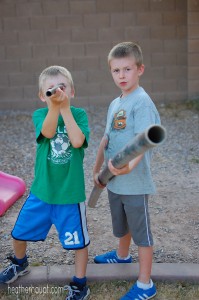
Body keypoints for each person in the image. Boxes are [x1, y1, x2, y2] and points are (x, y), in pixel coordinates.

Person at [0, 66, 90, 300]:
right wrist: (54, 107)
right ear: (42, 96)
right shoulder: (40, 115)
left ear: (72, 92)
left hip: (70, 194)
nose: (58, 92)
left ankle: (80, 283)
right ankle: (20, 263)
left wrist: (66, 109)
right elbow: (48, 133)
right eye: (51, 90)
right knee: (19, 233)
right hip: (41, 192)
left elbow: (78, 141)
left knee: (78, 242)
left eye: (63, 87)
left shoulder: (79, 115)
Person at [93, 42, 161, 300]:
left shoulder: (141, 103)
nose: (121, 76)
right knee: (121, 224)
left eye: (127, 69)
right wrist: (97, 169)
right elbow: (105, 139)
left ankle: (145, 285)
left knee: (141, 233)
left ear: (140, 69)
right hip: (114, 181)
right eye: (116, 70)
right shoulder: (115, 103)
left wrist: (127, 167)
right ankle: (122, 255)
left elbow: (144, 141)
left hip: (134, 183)